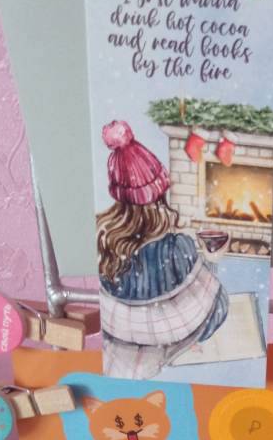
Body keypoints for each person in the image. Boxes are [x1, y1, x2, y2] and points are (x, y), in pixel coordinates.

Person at [97, 120, 228, 379]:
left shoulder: (105, 246)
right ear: (160, 193)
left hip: (118, 357)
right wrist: (212, 262)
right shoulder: (177, 249)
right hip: (167, 361)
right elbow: (214, 311)